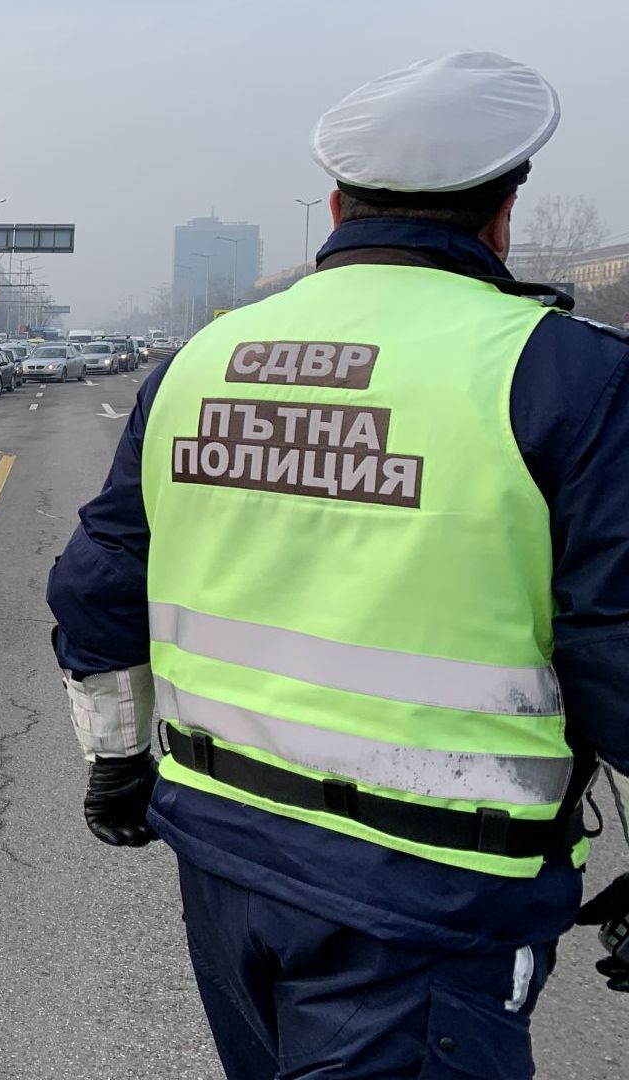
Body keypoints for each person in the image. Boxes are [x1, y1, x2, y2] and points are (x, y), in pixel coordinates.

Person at [46, 52, 629, 1077]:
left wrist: (118, 758)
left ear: (334, 204)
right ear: (503, 212)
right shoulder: (565, 376)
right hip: (431, 899)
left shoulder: (200, 360)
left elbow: (94, 588)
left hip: (226, 855)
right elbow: (615, 647)